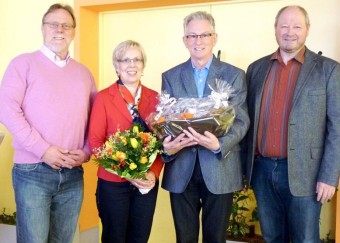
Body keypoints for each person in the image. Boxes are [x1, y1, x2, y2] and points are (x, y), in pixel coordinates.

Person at [243, 5, 340, 243]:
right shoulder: (256, 69)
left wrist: (329, 177)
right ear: (276, 30)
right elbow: (248, 122)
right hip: (263, 171)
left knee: (305, 239)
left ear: (307, 30)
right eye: (284, 26)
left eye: (297, 26)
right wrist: (244, 171)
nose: (290, 32)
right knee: (272, 237)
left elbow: (338, 126)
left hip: (308, 175)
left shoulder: (328, 70)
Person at [0, 3, 97, 243]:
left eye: (66, 25)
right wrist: (44, 150)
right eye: (53, 24)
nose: (59, 30)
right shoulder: (22, 64)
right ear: (43, 29)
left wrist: (85, 152)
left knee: (62, 240)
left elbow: (95, 120)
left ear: (73, 32)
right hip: (32, 172)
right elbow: (6, 110)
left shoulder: (84, 73)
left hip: (73, 173)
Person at [161, 11, 250, 243]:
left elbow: (241, 121)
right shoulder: (170, 76)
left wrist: (219, 144)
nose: (198, 41)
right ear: (184, 40)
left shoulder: (234, 75)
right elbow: (165, 120)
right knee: (185, 238)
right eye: (192, 36)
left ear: (214, 37)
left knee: (216, 238)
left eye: (204, 35)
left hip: (219, 166)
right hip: (182, 169)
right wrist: (169, 144)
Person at [88, 40, 163, 243]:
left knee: (140, 238)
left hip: (146, 184)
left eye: (137, 59)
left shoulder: (156, 98)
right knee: (114, 238)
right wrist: (128, 173)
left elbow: (161, 143)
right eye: (125, 60)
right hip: (113, 185)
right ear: (117, 65)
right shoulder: (103, 98)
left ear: (143, 65)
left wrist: (152, 173)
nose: (132, 65)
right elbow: (95, 143)